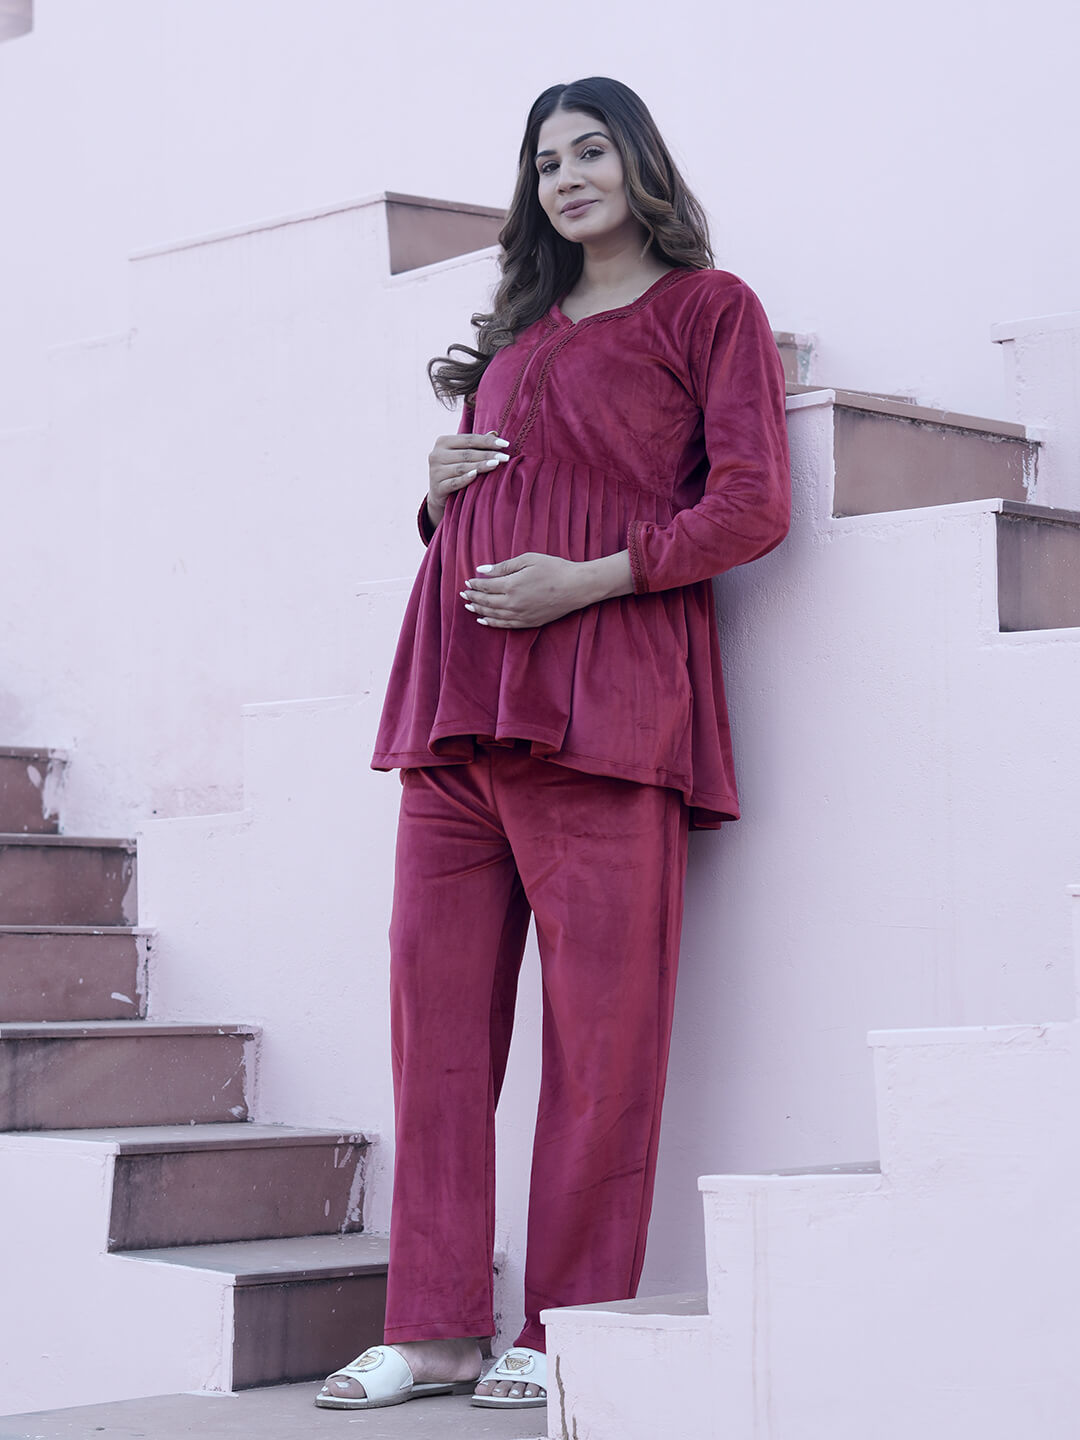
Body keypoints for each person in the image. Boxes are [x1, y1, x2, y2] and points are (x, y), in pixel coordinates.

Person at [315, 75, 791, 1413]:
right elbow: (496, 496)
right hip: (456, 706)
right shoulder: (519, 329)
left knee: (603, 1040)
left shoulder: (710, 310)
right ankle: (434, 1329)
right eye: (544, 161)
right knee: (435, 1035)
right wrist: (437, 495)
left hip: (607, 712)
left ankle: (567, 1325)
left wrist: (587, 579)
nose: (566, 176)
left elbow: (751, 507)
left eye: (590, 151)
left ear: (640, 165)